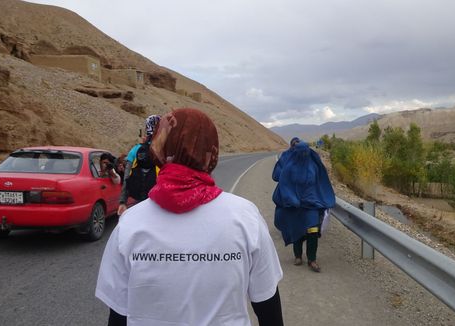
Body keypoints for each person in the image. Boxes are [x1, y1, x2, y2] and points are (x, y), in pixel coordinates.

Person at [96, 108, 284, 326]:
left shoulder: (129, 223)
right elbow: (267, 307)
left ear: (162, 147)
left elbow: (118, 316)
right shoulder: (245, 217)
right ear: (211, 153)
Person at [272, 137, 335, 273]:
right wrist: (291, 199)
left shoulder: (314, 166)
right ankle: (298, 256)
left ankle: (312, 259)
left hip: (311, 204)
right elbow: (285, 185)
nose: (304, 155)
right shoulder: (289, 168)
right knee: (298, 230)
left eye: (306, 152)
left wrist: (322, 199)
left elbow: (320, 183)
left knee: (313, 230)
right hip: (295, 205)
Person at [117, 115, 160, 215]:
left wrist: (122, 202)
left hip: (139, 199)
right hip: (157, 202)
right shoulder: (164, 151)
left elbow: (127, 177)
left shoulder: (135, 150)